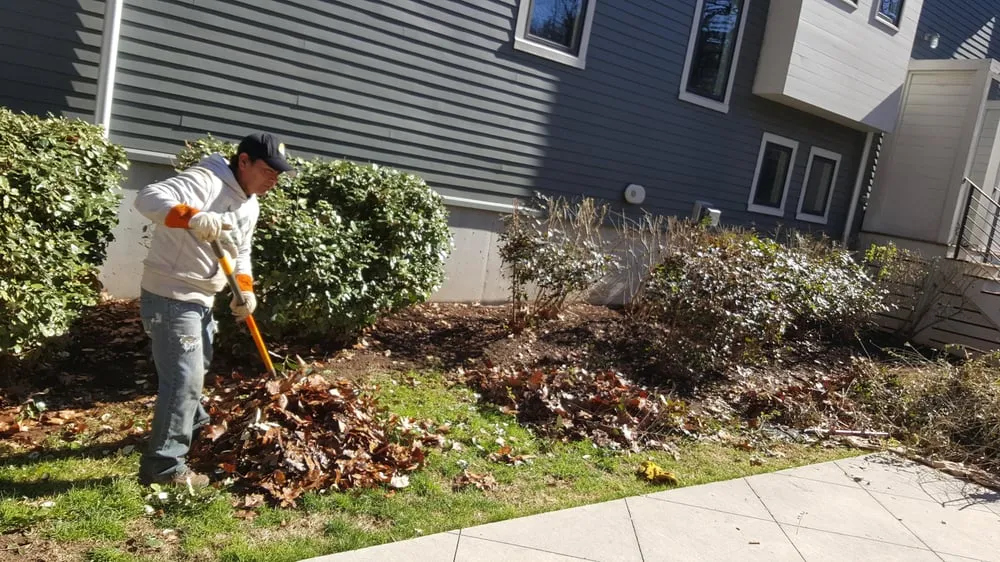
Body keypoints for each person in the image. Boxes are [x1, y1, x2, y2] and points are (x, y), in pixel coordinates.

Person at [134, 132, 294, 487]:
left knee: (195, 368)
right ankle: (163, 466)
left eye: (278, 174)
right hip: (171, 294)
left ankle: (194, 426)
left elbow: (242, 252)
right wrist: (191, 217)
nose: (273, 180)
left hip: (201, 297)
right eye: (268, 170)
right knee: (184, 378)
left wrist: (245, 290)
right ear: (244, 162)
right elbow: (148, 198)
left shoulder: (250, 203)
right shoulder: (205, 180)